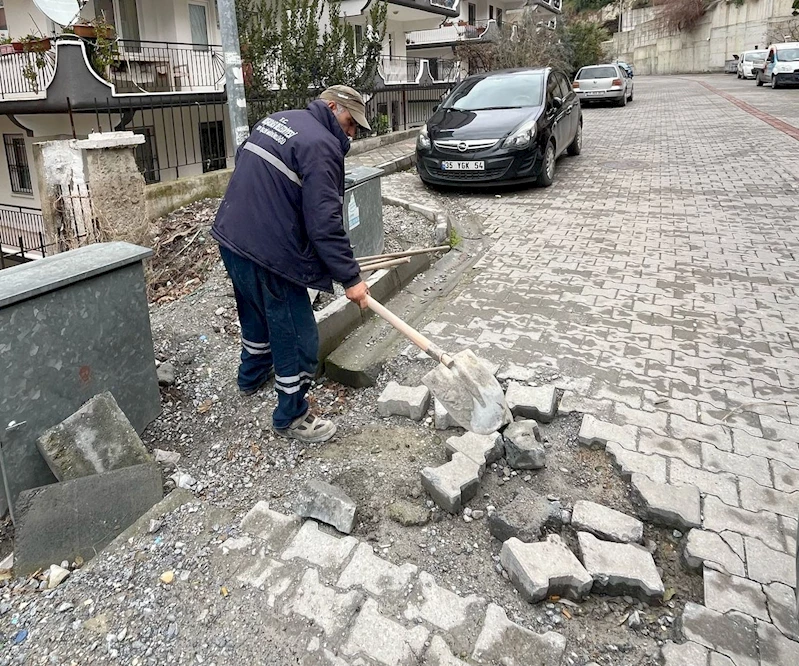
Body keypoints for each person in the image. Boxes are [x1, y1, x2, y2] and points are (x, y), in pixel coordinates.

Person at [211, 85, 371, 444]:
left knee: (255, 315)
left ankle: (250, 377)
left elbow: (261, 177)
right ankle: (292, 416)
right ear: (331, 107)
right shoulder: (321, 146)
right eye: (349, 122)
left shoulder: (277, 120)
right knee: (297, 335)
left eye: (355, 128)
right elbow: (325, 223)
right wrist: (351, 278)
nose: (350, 133)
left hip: (232, 235)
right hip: (269, 252)